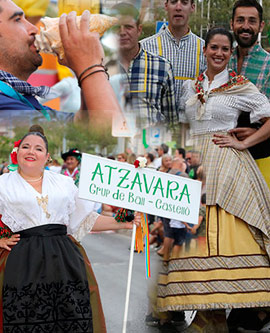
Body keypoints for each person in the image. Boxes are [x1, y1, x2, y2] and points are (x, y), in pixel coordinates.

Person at [158, 27, 270, 332]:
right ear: (204, 50)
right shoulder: (188, 88)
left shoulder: (240, 87)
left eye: (225, 49)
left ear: (230, 53)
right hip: (195, 167)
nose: (219, 54)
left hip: (227, 164)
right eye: (214, 48)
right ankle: (209, 316)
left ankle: (223, 314)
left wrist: (246, 142)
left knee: (230, 229)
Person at [0, 127, 140, 332]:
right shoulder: (3, 184)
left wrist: (123, 222)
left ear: (47, 157)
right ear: (17, 151)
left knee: (70, 316)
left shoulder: (64, 183)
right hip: (23, 261)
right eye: (26, 147)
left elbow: (85, 219)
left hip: (63, 260)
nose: (31, 152)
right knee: (26, 316)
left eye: (38, 149)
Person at [0, 0, 120, 123]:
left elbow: (82, 126)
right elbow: (110, 136)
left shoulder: (21, 101)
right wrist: (91, 67)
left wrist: (81, 66)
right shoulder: (4, 105)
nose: (35, 29)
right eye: (17, 19)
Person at [113, 2, 177, 129]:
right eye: (116, 28)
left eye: (128, 27)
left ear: (139, 30)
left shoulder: (162, 67)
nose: (122, 32)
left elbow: (171, 119)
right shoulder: (100, 67)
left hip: (150, 144)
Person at [229, 0, 270, 188]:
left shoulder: (269, 65)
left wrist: (256, 135)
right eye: (240, 20)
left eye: (252, 21)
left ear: (261, 26)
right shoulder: (221, 60)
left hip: (261, 159)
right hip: (226, 160)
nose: (246, 26)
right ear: (232, 24)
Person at [141, 0, 205, 109]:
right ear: (166, 6)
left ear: (192, 7)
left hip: (192, 123)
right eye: (173, 2)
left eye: (184, 3)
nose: (178, 7)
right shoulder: (145, 47)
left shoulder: (205, 50)